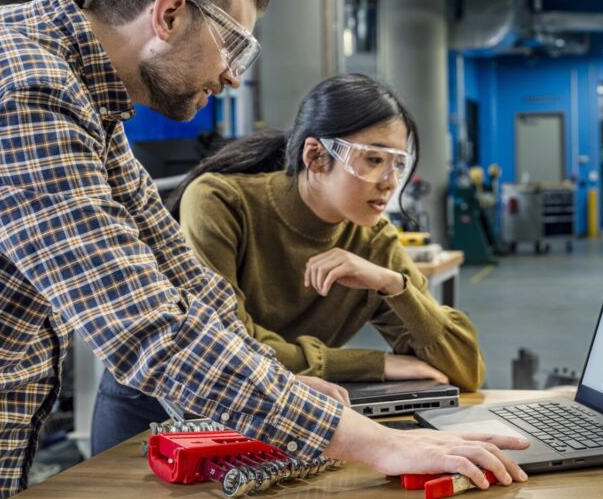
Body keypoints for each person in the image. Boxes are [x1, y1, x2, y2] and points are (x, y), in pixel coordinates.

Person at [0, 0, 527, 499]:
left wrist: (280, 380)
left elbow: (188, 283)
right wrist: (372, 443)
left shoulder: (85, 101)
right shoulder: (25, 88)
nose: (230, 75)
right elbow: (149, 328)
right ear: (168, 13)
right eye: (233, 47)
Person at [173, 74, 485, 389]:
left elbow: (466, 371)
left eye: (398, 164)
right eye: (374, 159)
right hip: (170, 406)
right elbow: (221, 348)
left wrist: (393, 285)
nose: (390, 181)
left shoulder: (375, 240)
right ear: (316, 157)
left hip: (286, 407)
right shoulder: (220, 202)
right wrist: (374, 364)